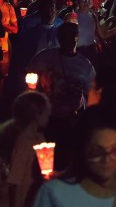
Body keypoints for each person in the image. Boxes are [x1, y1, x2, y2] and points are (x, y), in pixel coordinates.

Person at [28, 22, 96, 170]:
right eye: (64, 36)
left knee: (66, 158)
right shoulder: (44, 58)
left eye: (71, 36)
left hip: (71, 119)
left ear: (76, 37)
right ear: (59, 38)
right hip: (46, 118)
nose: (68, 40)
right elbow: (29, 79)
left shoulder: (85, 66)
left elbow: (91, 93)